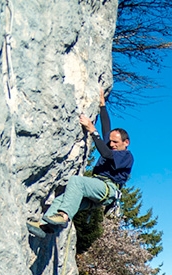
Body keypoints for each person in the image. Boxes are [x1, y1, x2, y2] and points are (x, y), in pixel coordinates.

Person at [28, 86, 134, 238]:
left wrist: (92, 130)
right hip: (96, 191)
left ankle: (63, 217)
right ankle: (45, 228)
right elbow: (106, 128)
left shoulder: (126, 155)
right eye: (111, 142)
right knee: (62, 198)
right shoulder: (111, 144)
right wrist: (102, 106)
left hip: (107, 189)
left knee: (77, 182)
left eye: (116, 142)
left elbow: (106, 153)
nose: (112, 144)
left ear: (126, 142)